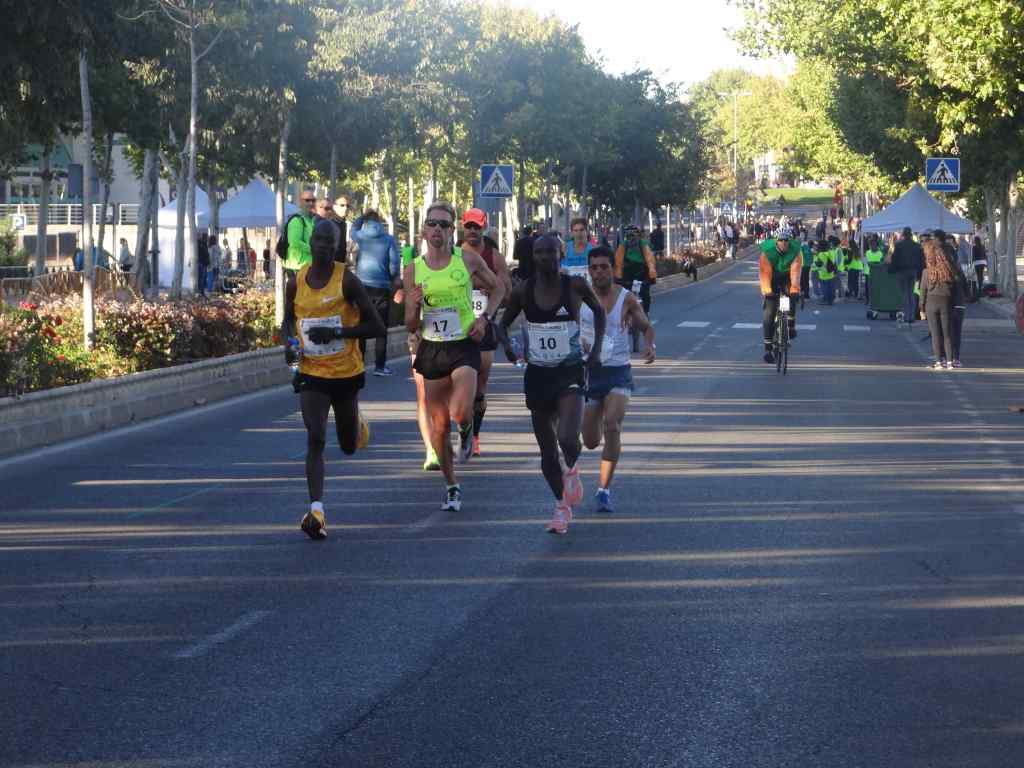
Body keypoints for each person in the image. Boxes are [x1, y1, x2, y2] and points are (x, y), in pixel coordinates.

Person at [282, 219, 386, 539]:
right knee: (315, 436)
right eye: (319, 240)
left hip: (346, 373)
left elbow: (377, 328)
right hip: (312, 372)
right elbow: (288, 321)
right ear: (310, 243)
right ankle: (316, 510)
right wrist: (291, 344)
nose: (324, 247)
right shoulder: (296, 282)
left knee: (348, 445)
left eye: (330, 242)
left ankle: (356, 423)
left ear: (338, 247)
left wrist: (338, 332)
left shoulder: (348, 281)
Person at [499, 234, 605, 535]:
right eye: (539, 253)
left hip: (569, 371)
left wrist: (595, 351)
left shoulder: (574, 285)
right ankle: (561, 506)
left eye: (550, 252)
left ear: (561, 254)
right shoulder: (523, 290)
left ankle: (571, 469)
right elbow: (501, 324)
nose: (545, 257)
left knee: (568, 439)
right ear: (533, 256)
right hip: (538, 375)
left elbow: (598, 311)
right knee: (547, 452)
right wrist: (508, 346)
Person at [403, 200, 505, 512]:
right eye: (432, 223)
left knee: (460, 412)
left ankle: (468, 428)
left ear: (452, 230)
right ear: (423, 231)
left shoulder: (468, 259)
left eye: (444, 225)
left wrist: (484, 318)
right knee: (438, 428)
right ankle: (451, 486)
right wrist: (415, 304)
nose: (438, 229)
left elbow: (498, 287)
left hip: (463, 343)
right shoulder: (413, 270)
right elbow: (409, 323)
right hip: (432, 348)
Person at [580, 246, 654, 513]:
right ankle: (600, 420)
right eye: (594, 267)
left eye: (604, 267)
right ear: (589, 270)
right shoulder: (580, 298)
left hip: (618, 371)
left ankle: (603, 490)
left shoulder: (627, 299)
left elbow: (646, 326)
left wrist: (650, 346)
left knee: (612, 424)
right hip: (592, 374)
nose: (599, 272)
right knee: (589, 440)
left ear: (613, 269)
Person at [459, 210, 512, 456]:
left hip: (484, 326)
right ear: (462, 227)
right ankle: (463, 426)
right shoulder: (453, 255)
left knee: (480, 387)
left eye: (477, 227)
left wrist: (489, 292)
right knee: (458, 385)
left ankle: (475, 434)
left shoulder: (494, 257)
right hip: (457, 327)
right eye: (469, 226)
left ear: (484, 228)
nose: (472, 231)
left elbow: (505, 291)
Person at [352, 210, 400, 376]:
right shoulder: (388, 239)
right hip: (381, 286)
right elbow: (394, 263)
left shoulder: (361, 236)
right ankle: (380, 366)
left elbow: (352, 228)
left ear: (366, 221)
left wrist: (360, 217)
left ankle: (359, 365)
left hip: (361, 286)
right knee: (380, 327)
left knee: (362, 326)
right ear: (380, 221)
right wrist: (393, 277)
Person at [759, 227, 802, 364]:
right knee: (769, 313)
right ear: (776, 241)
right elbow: (765, 274)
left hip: (787, 278)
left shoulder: (795, 252)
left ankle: (790, 326)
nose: (784, 243)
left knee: (789, 298)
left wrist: (795, 289)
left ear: (789, 241)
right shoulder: (767, 254)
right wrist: (768, 291)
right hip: (772, 278)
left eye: (786, 240)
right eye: (781, 240)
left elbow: (795, 273)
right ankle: (768, 348)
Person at [613, 225, 657, 351]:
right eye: (628, 235)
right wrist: (617, 278)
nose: (630, 238)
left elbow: (650, 260)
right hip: (628, 274)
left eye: (633, 235)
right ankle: (626, 317)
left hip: (641, 272)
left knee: (645, 294)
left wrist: (651, 276)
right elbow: (618, 262)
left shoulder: (644, 244)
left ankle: (646, 314)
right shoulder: (623, 245)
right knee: (622, 296)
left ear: (638, 235)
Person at [919, 238, 960, 370]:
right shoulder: (948, 272)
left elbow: (922, 291)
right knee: (947, 333)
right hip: (946, 302)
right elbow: (954, 290)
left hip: (931, 303)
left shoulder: (926, 272)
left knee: (935, 334)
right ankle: (949, 361)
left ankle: (938, 362)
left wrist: (921, 308)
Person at [890, 227, 924, 325]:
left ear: (904, 235)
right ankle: (911, 316)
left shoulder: (899, 245)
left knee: (905, 293)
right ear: (911, 235)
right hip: (913, 271)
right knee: (911, 293)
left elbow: (894, 259)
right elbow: (921, 260)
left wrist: (892, 270)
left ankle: (906, 315)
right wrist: (919, 273)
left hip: (902, 272)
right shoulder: (917, 246)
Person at [282, 190, 317, 276]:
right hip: (297, 266)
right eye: (307, 200)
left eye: (313, 200)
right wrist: (314, 249)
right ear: (300, 202)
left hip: (307, 265)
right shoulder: (296, 220)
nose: (311, 203)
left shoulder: (311, 220)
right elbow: (294, 242)